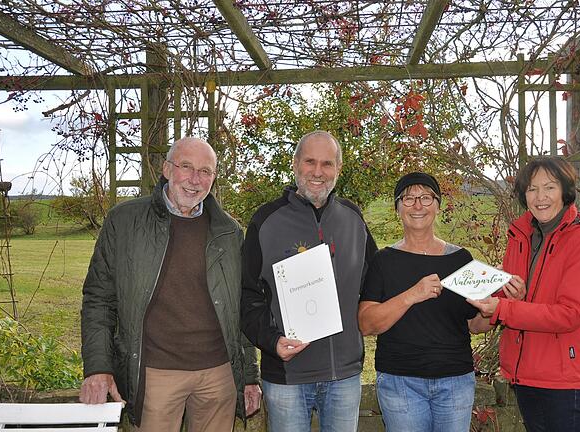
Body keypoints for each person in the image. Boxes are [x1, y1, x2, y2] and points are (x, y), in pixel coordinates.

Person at [79, 137, 261, 432]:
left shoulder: (228, 232)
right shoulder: (124, 222)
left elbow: (240, 307)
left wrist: (249, 376)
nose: (195, 180)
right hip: (155, 374)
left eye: (205, 171)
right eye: (186, 167)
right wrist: (99, 367)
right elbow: (99, 299)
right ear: (166, 169)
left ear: (214, 179)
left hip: (218, 376)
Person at [357, 172, 522, 432]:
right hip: (401, 381)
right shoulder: (383, 260)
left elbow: (476, 325)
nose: (418, 205)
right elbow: (367, 324)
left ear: (438, 205)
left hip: (455, 381)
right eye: (408, 199)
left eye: (426, 197)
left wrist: (501, 303)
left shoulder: (460, 260)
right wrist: (412, 295)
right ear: (397, 208)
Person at [240, 130, 377, 432]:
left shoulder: (354, 220)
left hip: (344, 375)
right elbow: (248, 296)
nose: (318, 172)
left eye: (327, 164)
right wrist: (272, 341)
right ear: (295, 164)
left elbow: (375, 286)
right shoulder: (265, 221)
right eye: (310, 162)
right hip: (287, 377)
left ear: (339, 169)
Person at [469, 156, 580, 432]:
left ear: (565, 192)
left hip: (562, 378)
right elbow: (519, 298)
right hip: (525, 372)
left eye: (550, 187)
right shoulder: (521, 236)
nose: (540, 197)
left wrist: (504, 309)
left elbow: (571, 314)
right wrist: (503, 293)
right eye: (532, 189)